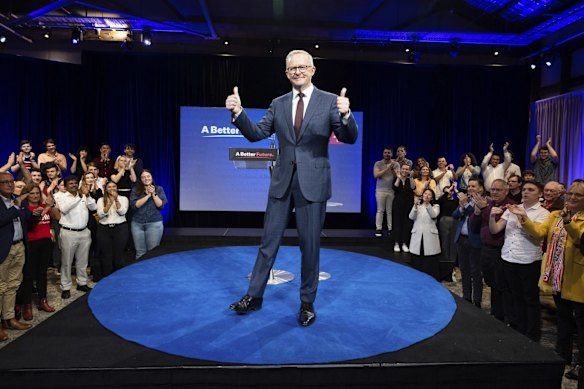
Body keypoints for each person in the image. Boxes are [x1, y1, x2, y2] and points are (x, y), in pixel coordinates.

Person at [225, 49, 359, 326]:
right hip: (282, 182)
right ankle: (254, 296)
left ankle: (307, 303)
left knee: (309, 247)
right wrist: (238, 113)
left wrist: (347, 116)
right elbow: (257, 134)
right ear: (286, 73)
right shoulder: (278, 103)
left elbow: (348, 138)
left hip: (314, 183)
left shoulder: (331, 101)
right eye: (292, 68)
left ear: (312, 70)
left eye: (302, 67)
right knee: (268, 243)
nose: (297, 71)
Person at [511, 179, 584, 381]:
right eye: (570, 194)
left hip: (578, 279)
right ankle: (562, 355)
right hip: (559, 278)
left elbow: (579, 238)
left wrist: (568, 221)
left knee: (580, 323)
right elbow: (539, 233)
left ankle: (580, 363)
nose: (572, 198)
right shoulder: (554, 216)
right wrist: (524, 218)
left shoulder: (576, 218)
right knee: (563, 319)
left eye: (578, 195)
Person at [489, 180, 549, 341]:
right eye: (524, 189)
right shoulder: (513, 209)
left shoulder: (543, 213)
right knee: (514, 297)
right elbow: (495, 229)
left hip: (528, 260)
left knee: (530, 299)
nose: (525, 192)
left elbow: (537, 234)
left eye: (530, 190)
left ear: (540, 194)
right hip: (508, 257)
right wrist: (492, 216)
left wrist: (522, 216)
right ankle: (519, 329)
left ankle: (532, 335)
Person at [470, 178, 515, 322]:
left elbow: (496, 227)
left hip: (500, 251)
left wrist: (484, 209)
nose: (494, 192)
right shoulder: (487, 203)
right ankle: (497, 313)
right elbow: (474, 227)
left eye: (498, 190)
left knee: (501, 285)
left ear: (506, 191)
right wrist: (477, 213)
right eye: (493, 189)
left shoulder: (510, 206)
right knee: (491, 283)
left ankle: (504, 316)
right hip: (485, 249)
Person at [15, 183, 57, 320]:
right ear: (26, 195)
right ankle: (27, 305)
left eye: (37, 193)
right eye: (31, 193)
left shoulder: (44, 206)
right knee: (28, 275)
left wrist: (52, 205)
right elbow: (33, 221)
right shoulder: (25, 208)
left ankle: (42, 300)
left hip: (45, 243)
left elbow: (57, 217)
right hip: (31, 244)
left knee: (42, 273)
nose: (35, 196)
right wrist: (47, 207)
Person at [0, 172, 34, 339]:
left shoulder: (17, 199)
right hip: (3, 249)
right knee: (0, 287)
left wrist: (38, 212)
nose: (9, 185)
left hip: (19, 246)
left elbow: (26, 218)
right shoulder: (13, 202)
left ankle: (9, 318)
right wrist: (16, 206)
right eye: (5, 182)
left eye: (11, 182)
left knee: (13, 285)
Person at [54, 175, 97, 299]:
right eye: (71, 183)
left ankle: (82, 283)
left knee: (83, 261)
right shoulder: (60, 196)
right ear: (66, 186)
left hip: (84, 232)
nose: (73, 185)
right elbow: (64, 209)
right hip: (68, 232)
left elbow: (93, 208)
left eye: (75, 183)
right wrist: (79, 196)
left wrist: (87, 196)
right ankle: (65, 287)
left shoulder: (84, 195)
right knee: (67, 262)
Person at [453, 178, 484, 307]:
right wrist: (461, 206)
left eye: (473, 186)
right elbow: (454, 215)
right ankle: (466, 297)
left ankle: (477, 300)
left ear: (480, 188)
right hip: (461, 239)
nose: (470, 188)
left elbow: (474, 215)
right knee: (464, 270)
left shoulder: (483, 201)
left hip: (475, 241)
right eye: (469, 186)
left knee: (475, 272)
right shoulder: (465, 200)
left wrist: (465, 204)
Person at [130, 170, 167, 259]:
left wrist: (153, 194)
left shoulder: (159, 189)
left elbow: (160, 205)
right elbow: (135, 205)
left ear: (152, 177)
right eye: (143, 177)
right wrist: (147, 196)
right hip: (137, 224)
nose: (146, 178)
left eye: (148, 176)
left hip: (154, 223)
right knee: (140, 252)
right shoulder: (136, 190)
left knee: (152, 252)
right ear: (141, 179)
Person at [96, 182, 129, 277]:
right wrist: (109, 203)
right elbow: (101, 214)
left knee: (118, 253)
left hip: (120, 228)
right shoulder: (101, 200)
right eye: (109, 187)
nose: (112, 188)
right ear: (106, 189)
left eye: (114, 186)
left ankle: (119, 276)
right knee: (106, 254)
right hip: (104, 229)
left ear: (117, 188)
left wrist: (116, 200)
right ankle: (107, 277)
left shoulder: (123, 199)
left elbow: (123, 212)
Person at [408, 189, 441, 280]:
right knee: (417, 258)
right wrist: (415, 205)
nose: (426, 195)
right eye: (425, 193)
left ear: (432, 197)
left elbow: (433, 215)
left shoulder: (435, 206)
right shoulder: (418, 207)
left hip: (429, 236)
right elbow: (411, 217)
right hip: (418, 235)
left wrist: (427, 205)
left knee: (429, 259)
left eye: (429, 194)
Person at [373, 147, 399, 237]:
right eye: (385, 152)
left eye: (388, 153)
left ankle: (390, 229)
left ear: (391, 154)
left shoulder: (395, 164)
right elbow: (376, 175)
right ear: (383, 154)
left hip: (391, 190)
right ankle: (378, 229)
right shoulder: (378, 163)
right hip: (380, 190)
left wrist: (392, 169)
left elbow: (398, 176)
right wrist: (387, 168)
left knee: (389, 211)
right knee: (380, 210)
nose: (387, 154)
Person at [392, 163, 415, 253]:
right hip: (398, 204)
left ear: (409, 171)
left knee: (407, 224)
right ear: (400, 170)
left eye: (407, 169)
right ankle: (396, 243)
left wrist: (411, 177)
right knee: (397, 223)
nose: (405, 171)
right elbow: (395, 188)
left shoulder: (410, 180)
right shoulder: (396, 178)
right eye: (403, 169)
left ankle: (405, 243)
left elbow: (413, 187)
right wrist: (398, 177)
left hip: (408, 204)